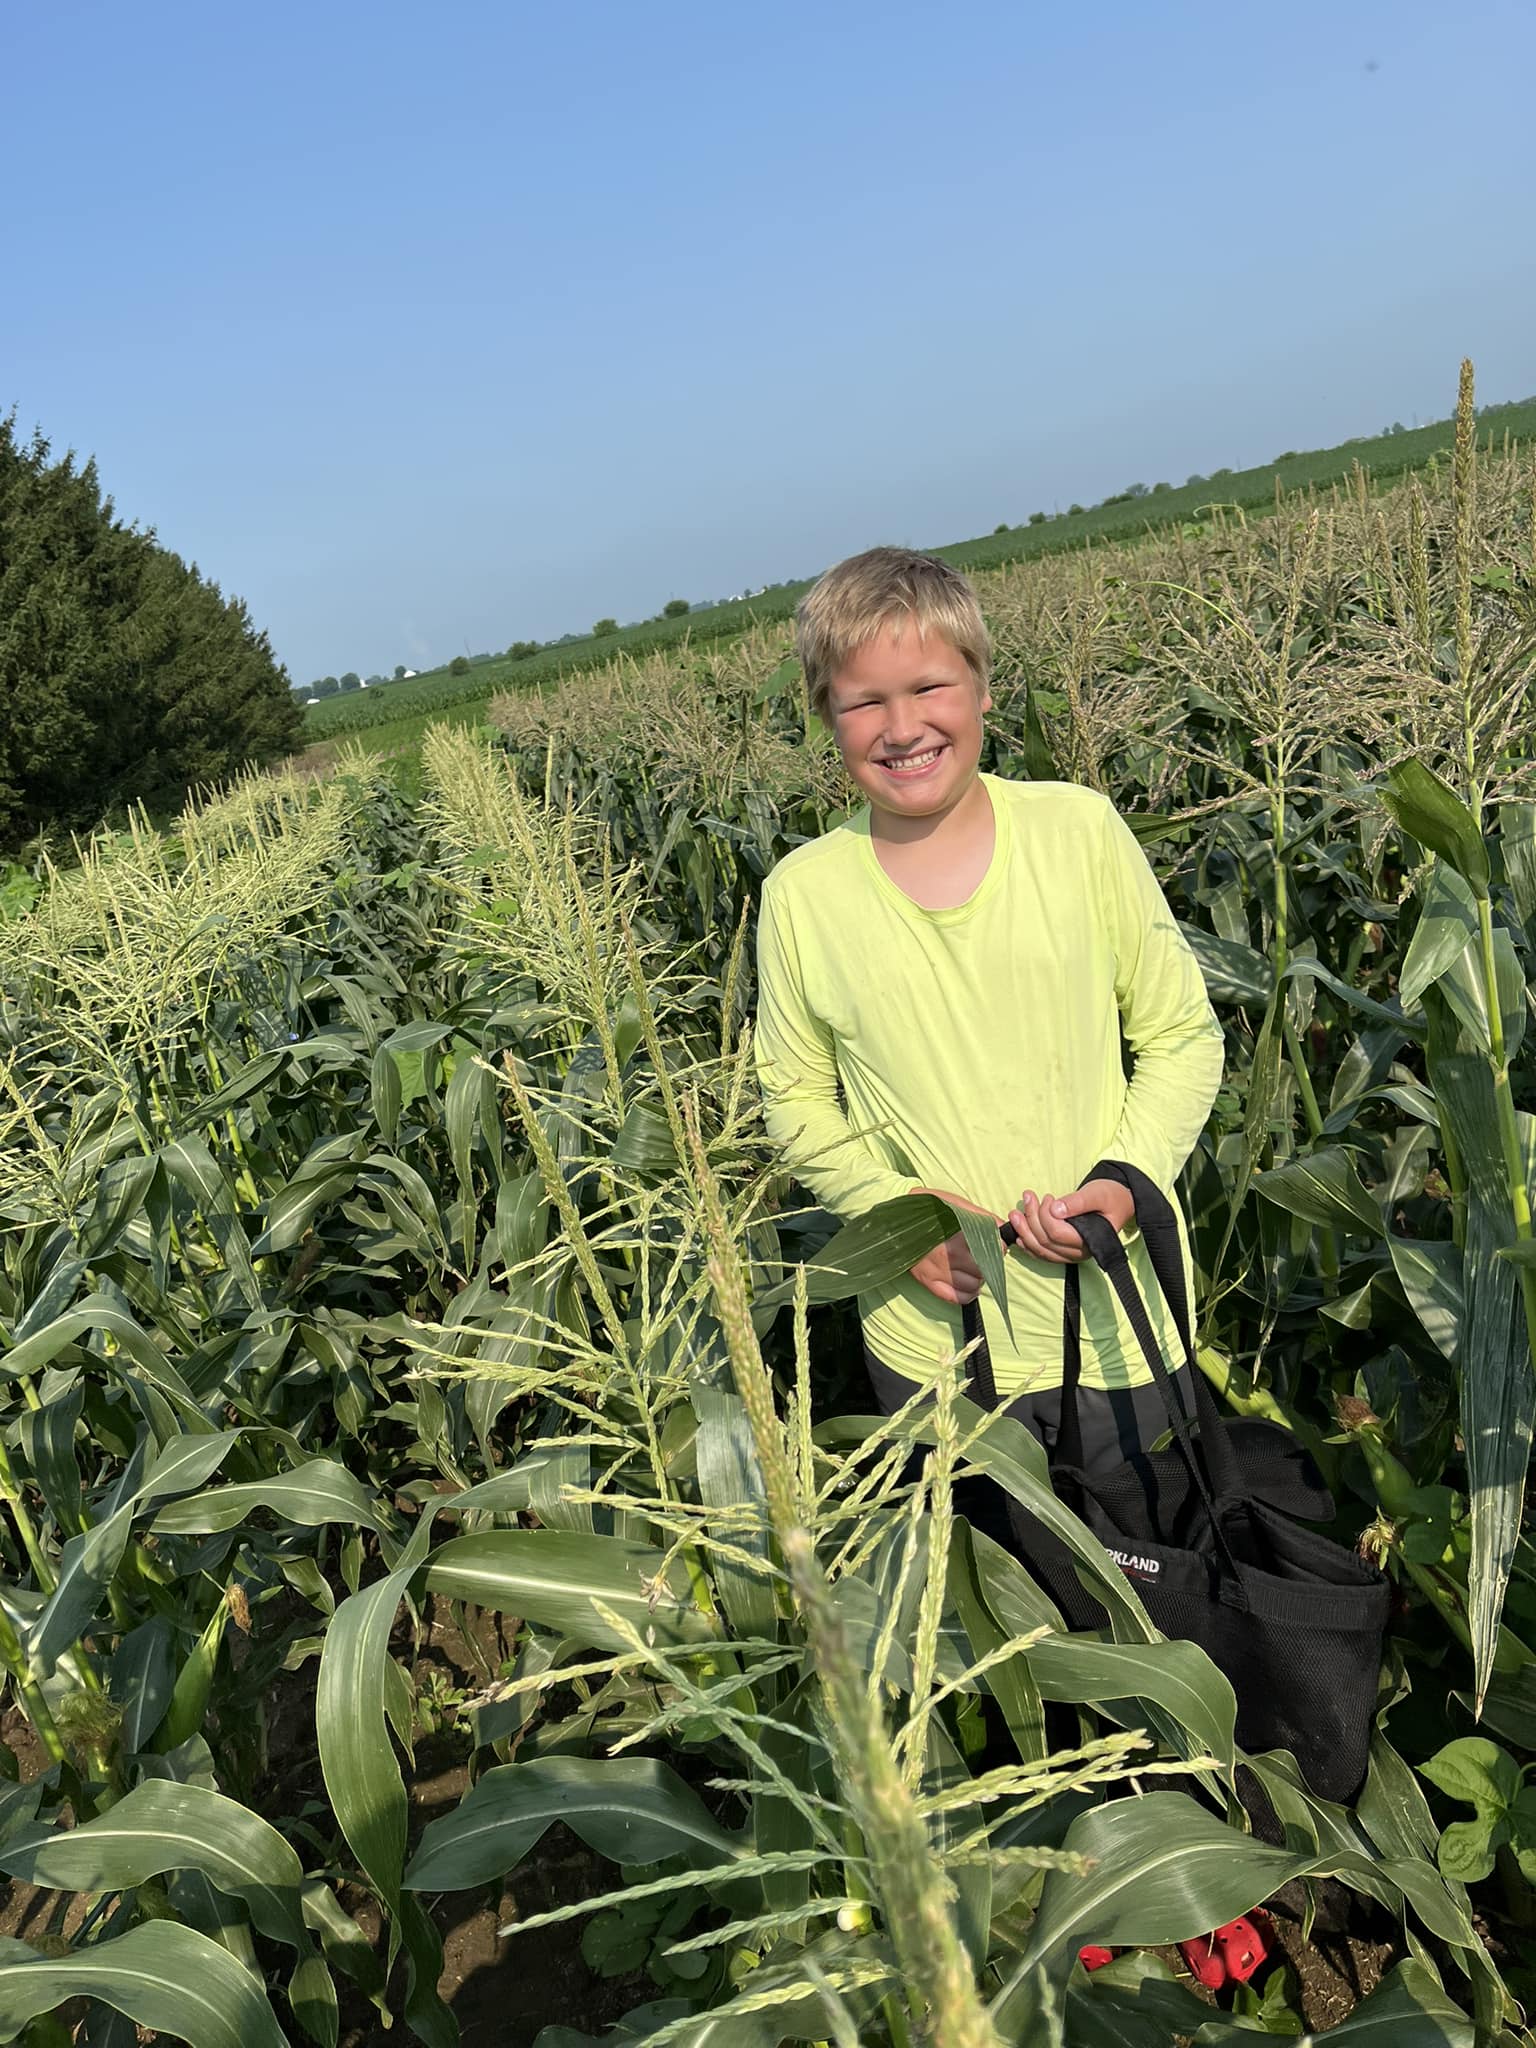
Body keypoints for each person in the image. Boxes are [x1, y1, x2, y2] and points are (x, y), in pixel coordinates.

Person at [753, 546, 1224, 1482]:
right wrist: (901, 1218)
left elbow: (1180, 1036)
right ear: (826, 719)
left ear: (983, 689)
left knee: (1156, 1598)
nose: (902, 727)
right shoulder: (801, 896)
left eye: (931, 686)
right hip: (936, 1360)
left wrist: (1126, 1180)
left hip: (1118, 1321)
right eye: (862, 702)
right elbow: (794, 1100)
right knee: (981, 1606)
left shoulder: (1079, 832)